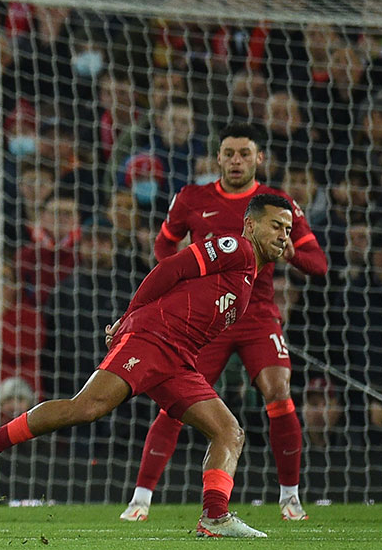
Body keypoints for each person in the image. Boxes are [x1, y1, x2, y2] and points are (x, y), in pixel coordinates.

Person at [0, 193, 295, 538]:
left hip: (179, 357)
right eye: (275, 225)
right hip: (153, 337)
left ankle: (215, 517)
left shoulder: (251, 276)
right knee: (86, 408)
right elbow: (171, 267)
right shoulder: (236, 248)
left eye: (288, 228)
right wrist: (130, 317)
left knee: (228, 432)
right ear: (250, 224)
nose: (283, 235)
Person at [120, 123, 327, 523]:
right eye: (229, 153)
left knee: (279, 390)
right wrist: (180, 271)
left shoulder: (278, 206)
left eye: (244, 154)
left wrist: (288, 254)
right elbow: (165, 245)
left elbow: (318, 263)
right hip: (205, 322)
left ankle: (290, 498)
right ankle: (141, 498)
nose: (236, 161)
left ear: (259, 158)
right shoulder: (191, 198)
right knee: (175, 405)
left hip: (258, 314)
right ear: (217, 157)